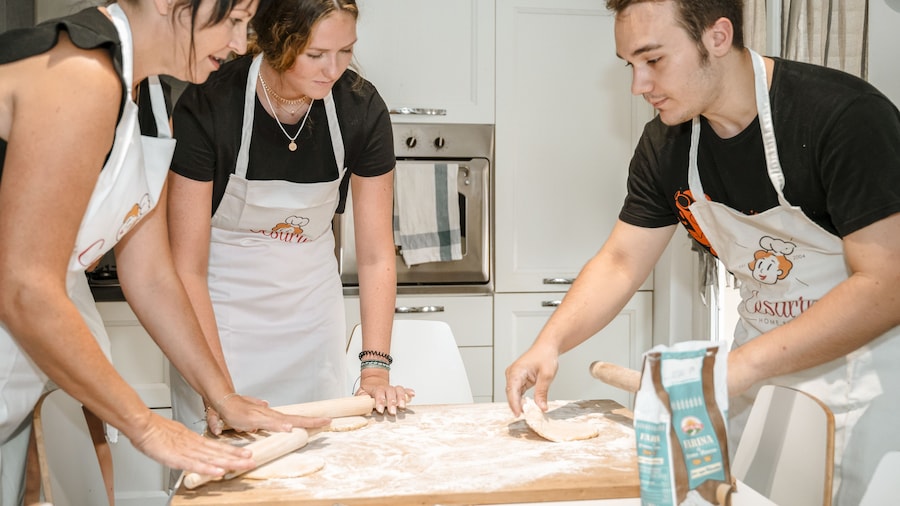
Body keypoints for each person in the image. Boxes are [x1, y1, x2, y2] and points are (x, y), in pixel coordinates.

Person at [503, 1, 900, 504]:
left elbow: (886, 284)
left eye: (654, 60)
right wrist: (551, 342)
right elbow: (621, 261)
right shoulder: (666, 144)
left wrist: (740, 367)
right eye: (630, 65)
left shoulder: (842, 116)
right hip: (755, 373)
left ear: (717, 37)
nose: (639, 85)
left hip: (858, 379)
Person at [0, 1, 331, 503]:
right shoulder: (80, 73)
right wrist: (146, 425)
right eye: (233, 20)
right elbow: (26, 285)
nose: (240, 44)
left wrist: (222, 395)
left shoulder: (151, 99)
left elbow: (151, 273)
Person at [166, 0, 412, 433]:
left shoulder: (360, 108)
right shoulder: (211, 104)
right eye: (316, 54)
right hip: (220, 318)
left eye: (346, 51)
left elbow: (376, 255)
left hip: (311, 316)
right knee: (222, 461)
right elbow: (186, 267)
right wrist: (218, 390)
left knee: (319, 452)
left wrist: (375, 370)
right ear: (277, 41)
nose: (333, 70)